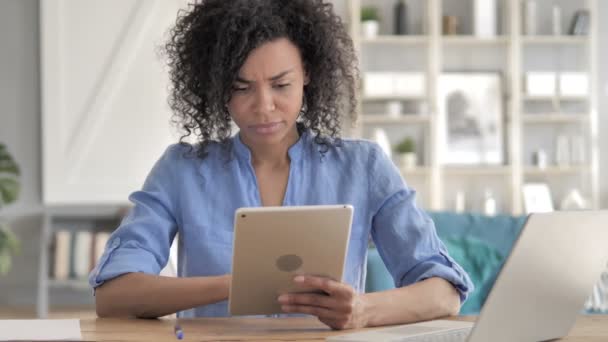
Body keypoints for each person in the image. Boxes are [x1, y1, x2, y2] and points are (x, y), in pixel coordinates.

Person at [89, 0, 473, 330]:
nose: (264, 106)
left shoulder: (363, 166)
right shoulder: (182, 170)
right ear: (216, 86)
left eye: (281, 84)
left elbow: (444, 292)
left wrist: (363, 310)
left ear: (307, 74)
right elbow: (114, 295)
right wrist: (238, 285)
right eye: (241, 87)